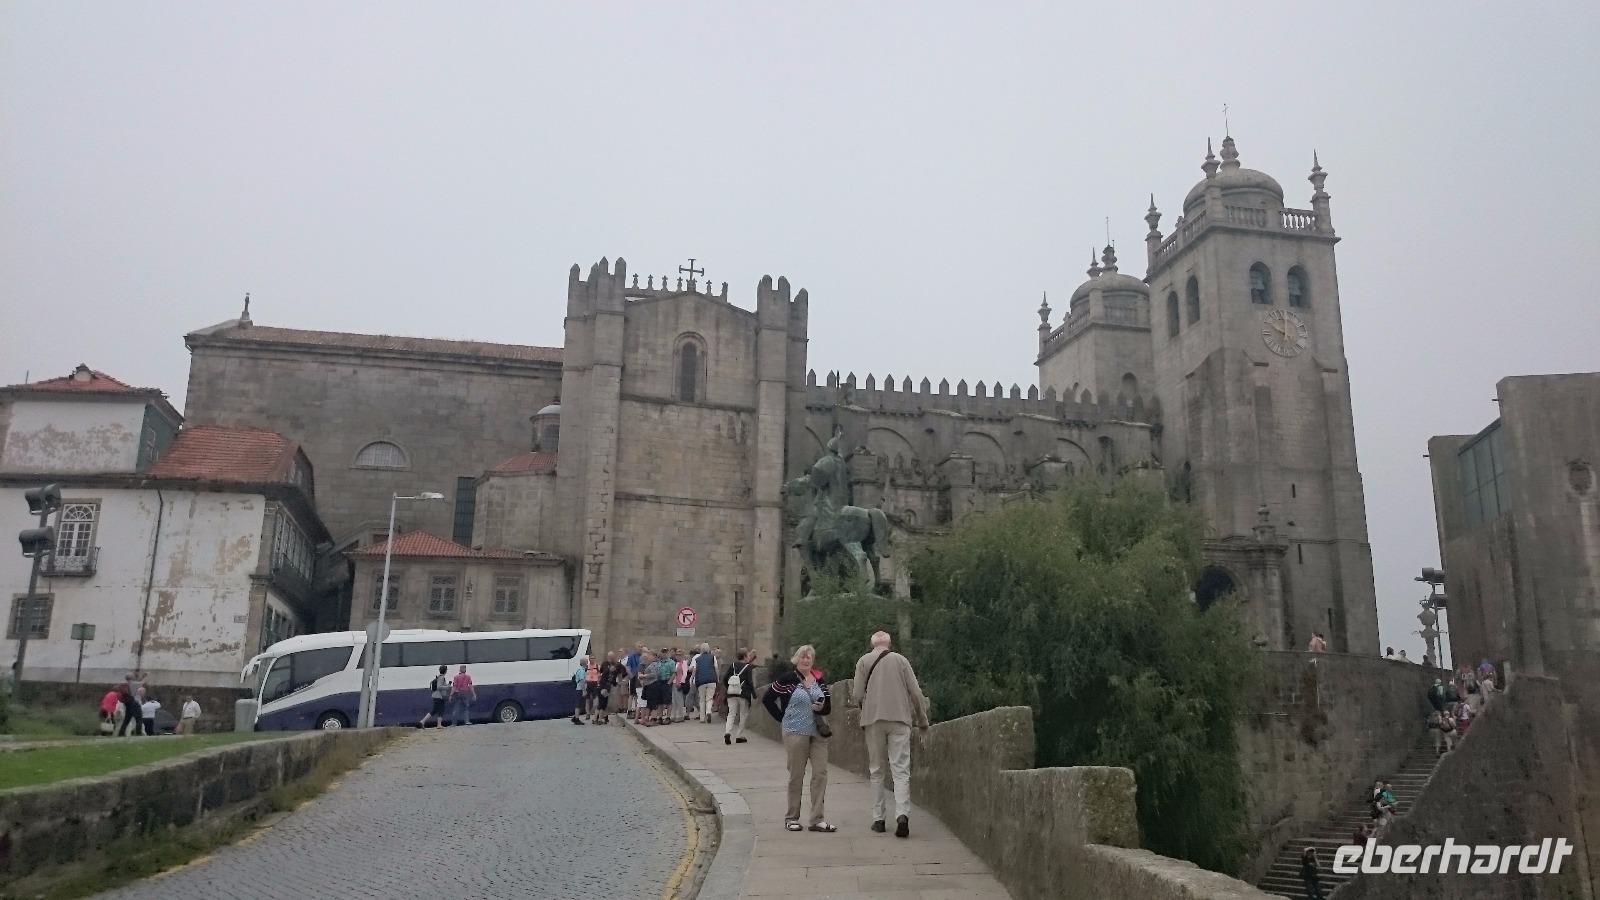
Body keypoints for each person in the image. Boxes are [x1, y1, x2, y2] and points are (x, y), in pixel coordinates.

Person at [852, 631, 929, 838]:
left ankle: (878, 819)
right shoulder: (901, 660)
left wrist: (866, 706)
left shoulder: (863, 661)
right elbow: (916, 693)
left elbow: (857, 694)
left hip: (873, 720)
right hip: (899, 719)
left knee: (877, 769)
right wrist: (922, 720)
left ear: (872, 645)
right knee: (901, 770)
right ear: (889, 644)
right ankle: (902, 815)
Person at [762, 644, 834, 833]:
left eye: (809, 657)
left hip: (818, 733)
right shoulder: (787, 679)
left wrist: (822, 707)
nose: (806, 659)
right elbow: (768, 699)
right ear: (796, 659)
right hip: (795, 732)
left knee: (820, 774)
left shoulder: (819, 679)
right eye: (803, 657)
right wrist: (781, 718)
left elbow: (828, 706)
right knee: (796, 775)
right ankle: (792, 817)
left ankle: (817, 819)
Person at [723, 648, 755, 745]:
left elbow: (725, 678)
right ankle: (739, 735)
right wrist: (754, 693)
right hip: (743, 694)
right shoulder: (747, 667)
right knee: (743, 714)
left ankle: (727, 732)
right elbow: (749, 682)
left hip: (731, 693)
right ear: (745, 656)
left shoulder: (732, 665)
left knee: (731, 714)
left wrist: (728, 687)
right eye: (748, 655)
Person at [694, 643, 719, 723]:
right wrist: (717, 678)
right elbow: (716, 668)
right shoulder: (712, 657)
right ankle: (708, 711)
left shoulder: (698, 659)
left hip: (701, 681)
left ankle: (702, 718)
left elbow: (696, 670)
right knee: (709, 698)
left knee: (701, 699)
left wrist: (695, 680)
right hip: (711, 680)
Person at [117, 672, 144, 737]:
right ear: (132, 677)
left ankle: (121, 733)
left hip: (127, 704)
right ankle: (138, 732)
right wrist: (145, 676)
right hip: (133, 702)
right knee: (139, 718)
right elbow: (141, 683)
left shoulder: (123, 685)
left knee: (127, 719)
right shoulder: (133, 684)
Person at [572, 655, 591, 724]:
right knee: (578, 704)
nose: (588, 663)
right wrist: (584, 691)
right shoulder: (582, 671)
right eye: (587, 662)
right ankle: (576, 719)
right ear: (584, 663)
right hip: (580, 689)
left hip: (578, 688)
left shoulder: (578, 669)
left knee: (578, 704)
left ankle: (575, 717)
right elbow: (582, 681)